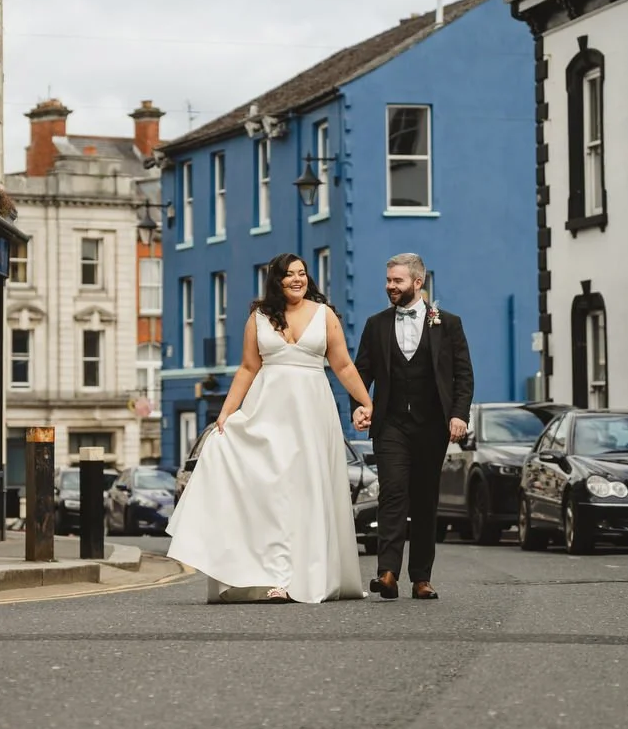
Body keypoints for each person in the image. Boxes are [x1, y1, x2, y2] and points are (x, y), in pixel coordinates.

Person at [167, 253, 373, 604]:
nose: (297, 279)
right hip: (268, 411)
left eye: (302, 274)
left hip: (311, 412)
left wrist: (366, 402)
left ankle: (307, 574)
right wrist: (227, 413)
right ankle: (275, 577)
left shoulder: (325, 316)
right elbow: (248, 368)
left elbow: (343, 365)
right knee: (272, 489)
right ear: (276, 280)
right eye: (289, 274)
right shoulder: (259, 318)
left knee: (305, 490)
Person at [349, 253, 474, 601]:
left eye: (397, 281)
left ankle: (421, 578)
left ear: (418, 283)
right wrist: (360, 406)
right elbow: (361, 372)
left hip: (432, 424)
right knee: (392, 493)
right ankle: (387, 573)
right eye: (388, 280)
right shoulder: (376, 325)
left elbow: (463, 374)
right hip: (391, 424)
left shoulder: (447, 323)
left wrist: (458, 414)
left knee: (423, 500)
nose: (390, 286)